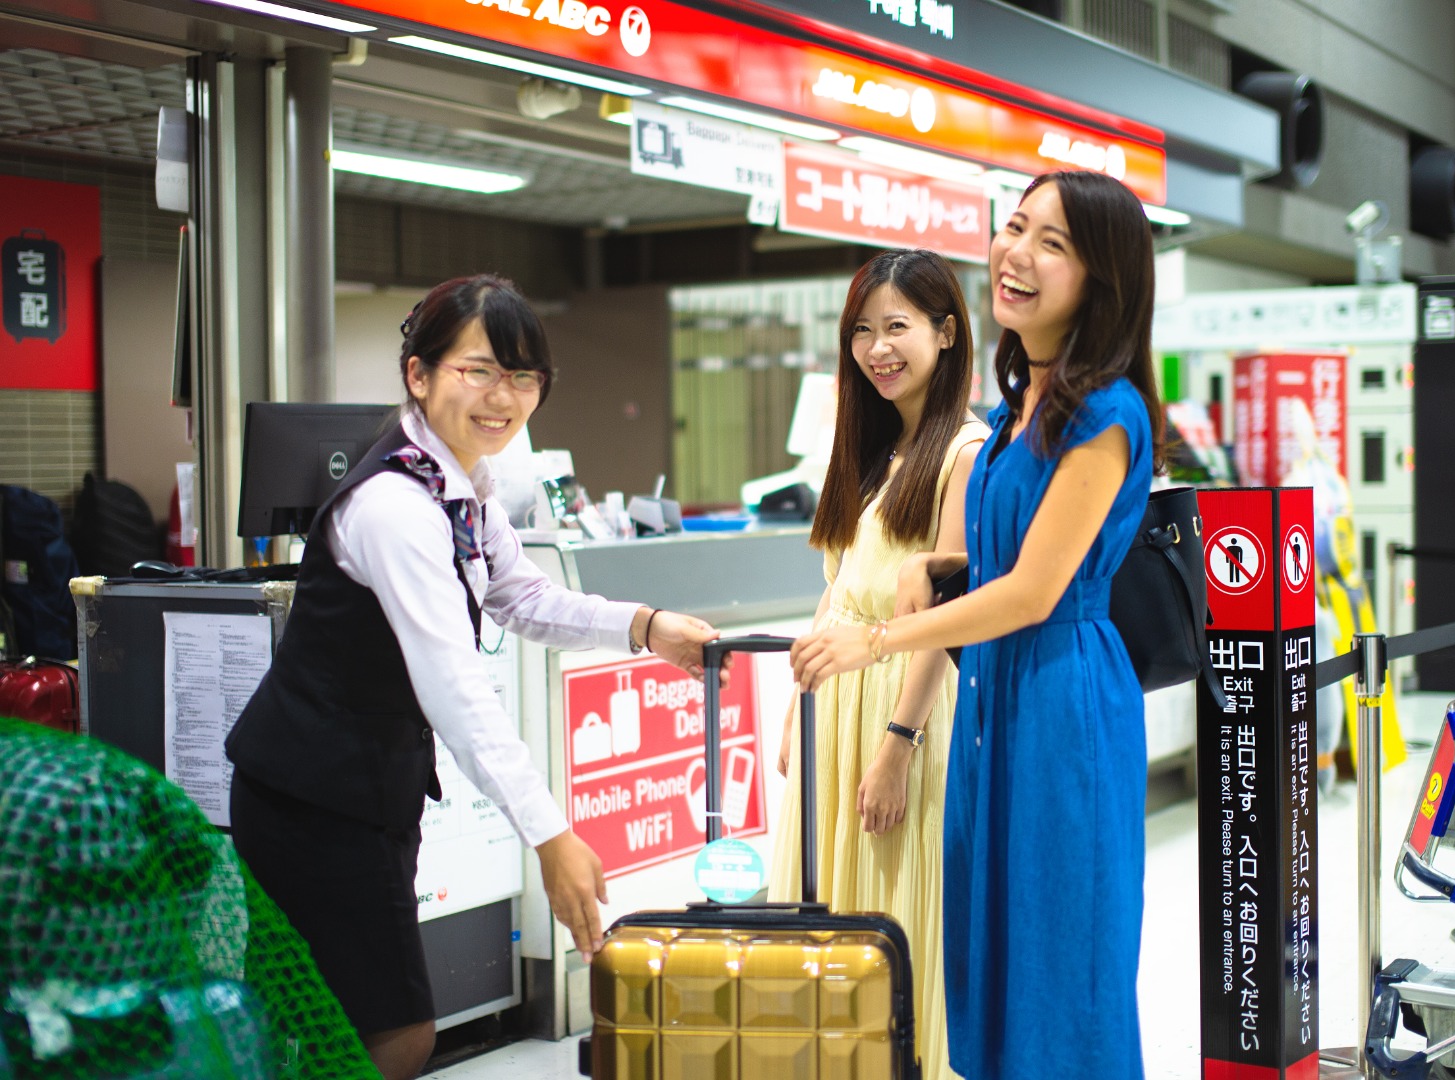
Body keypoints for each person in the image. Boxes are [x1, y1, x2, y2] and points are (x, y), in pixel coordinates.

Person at [225, 274, 729, 1080]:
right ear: (418, 375)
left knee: (309, 1021)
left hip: (355, 791)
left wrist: (641, 626)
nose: (504, 397)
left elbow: (519, 594)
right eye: (479, 370)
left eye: (524, 376)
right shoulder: (395, 506)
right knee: (396, 1035)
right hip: (309, 799)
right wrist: (550, 832)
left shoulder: (463, 486)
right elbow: (452, 685)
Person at [790, 171, 1165, 1078]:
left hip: (1061, 698)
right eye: (1016, 228)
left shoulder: (1105, 415)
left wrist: (875, 641)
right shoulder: (1012, 412)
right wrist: (935, 564)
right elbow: (998, 556)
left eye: (1053, 243)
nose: (1016, 254)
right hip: (994, 698)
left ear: (1101, 280)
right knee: (988, 951)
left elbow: (1037, 592)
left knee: (1061, 959)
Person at [768, 249, 985, 1080]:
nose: (877, 348)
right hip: (839, 703)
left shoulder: (964, 452)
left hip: (907, 705)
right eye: (863, 330)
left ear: (946, 331)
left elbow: (940, 618)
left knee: (896, 909)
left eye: (896, 327)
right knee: (832, 911)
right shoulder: (870, 444)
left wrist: (898, 743)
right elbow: (835, 592)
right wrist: (801, 703)